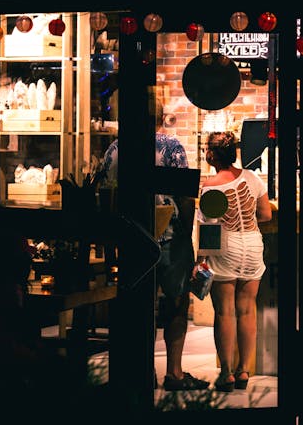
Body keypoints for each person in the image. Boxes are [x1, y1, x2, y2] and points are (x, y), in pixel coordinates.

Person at [100, 115, 209, 391]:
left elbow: (104, 195)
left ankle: (140, 372)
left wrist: (110, 241)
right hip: (170, 235)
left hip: (131, 236)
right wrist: (187, 229)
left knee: (137, 305)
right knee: (177, 302)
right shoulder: (171, 147)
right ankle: (174, 373)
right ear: (160, 117)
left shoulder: (114, 149)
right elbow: (184, 195)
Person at [199, 131, 273, 391]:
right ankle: (244, 371)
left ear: (212, 154)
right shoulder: (252, 178)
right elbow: (265, 215)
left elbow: (208, 229)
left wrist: (200, 261)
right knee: (247, 309)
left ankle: (227, 373)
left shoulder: (209, 185)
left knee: (225, 311)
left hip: (226, 246)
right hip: (252, 244)